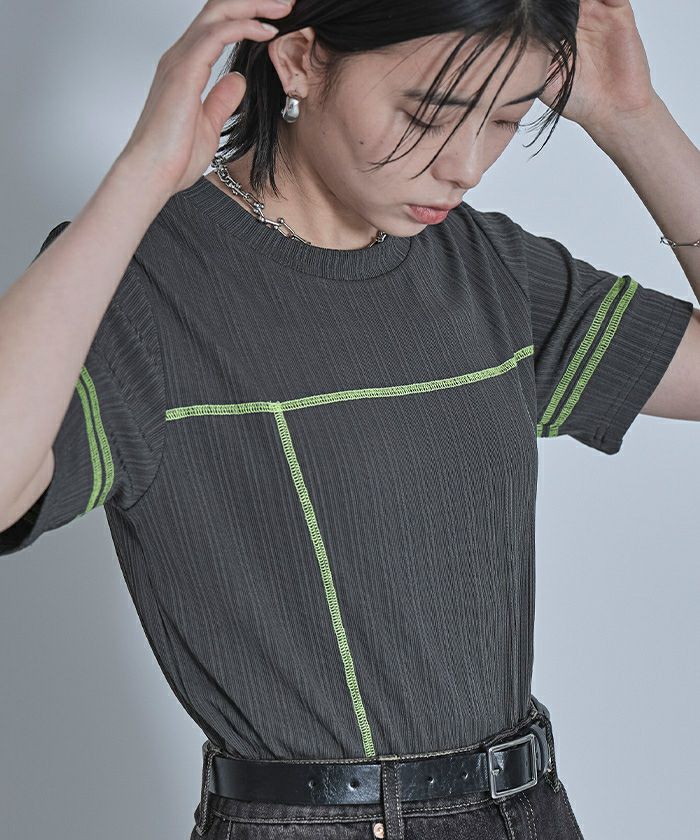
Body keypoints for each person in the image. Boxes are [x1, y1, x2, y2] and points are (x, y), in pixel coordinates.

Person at [1, 0, 698, 838]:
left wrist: (635, 121)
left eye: (505, 120)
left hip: (533, 811)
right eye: (427, 115)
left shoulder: (484, 269)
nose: (466, 167)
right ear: (299, 59)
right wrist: (139, 181)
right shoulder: (146, 287)